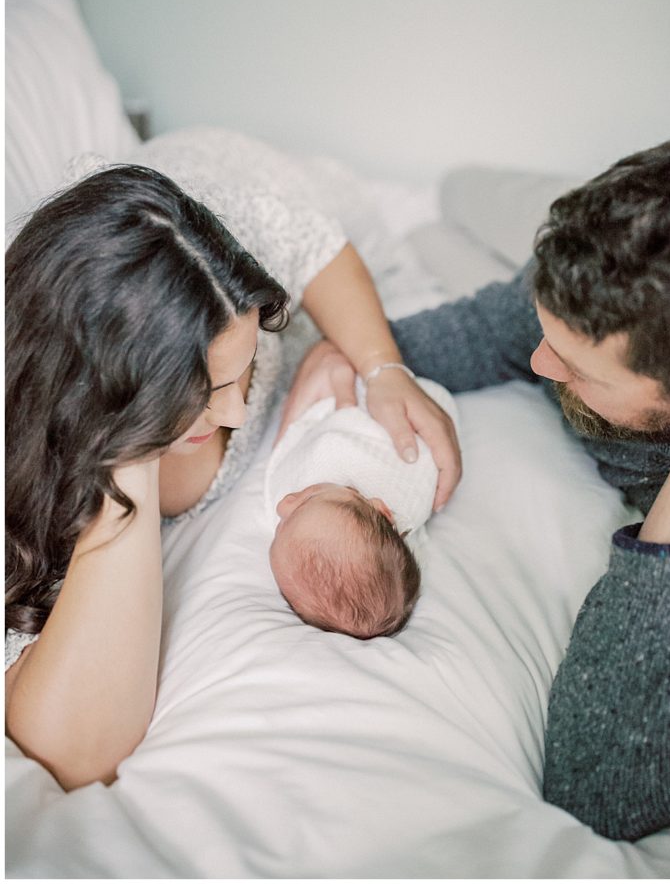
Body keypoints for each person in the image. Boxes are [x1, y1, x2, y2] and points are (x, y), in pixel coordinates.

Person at [5, 133, 461, 792]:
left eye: (241, 376)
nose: (238, 415)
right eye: (202, 395)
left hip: (236, 162)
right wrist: (128, 460)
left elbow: (312, 248)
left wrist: (382, 368)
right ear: (101, 391)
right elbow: (76, 752)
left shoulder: (212, 259)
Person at [282, 139, 670, 841]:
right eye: (547, 329)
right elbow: (491, 330)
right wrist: (366, 353)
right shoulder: (581, 289)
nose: (536, 361)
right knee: (460, 192)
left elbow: (600, 791)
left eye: (578, 368)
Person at [265, 376, 457, 638]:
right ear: (384, 511)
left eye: (279, 530)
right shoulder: (409, 494)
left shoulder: (305, 492)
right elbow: (434, 431)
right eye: (306, 501)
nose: (282, 505)